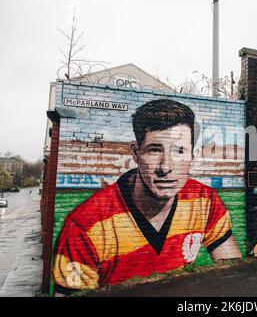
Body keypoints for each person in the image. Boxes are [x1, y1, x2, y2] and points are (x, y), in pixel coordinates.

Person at [52, 99, 242, 295]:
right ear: (135, 153)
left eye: (179, 151)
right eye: (154, 150)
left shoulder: (205, 201)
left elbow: (234, 276)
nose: (166, 167)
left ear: (191, 156)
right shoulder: (85, 226)